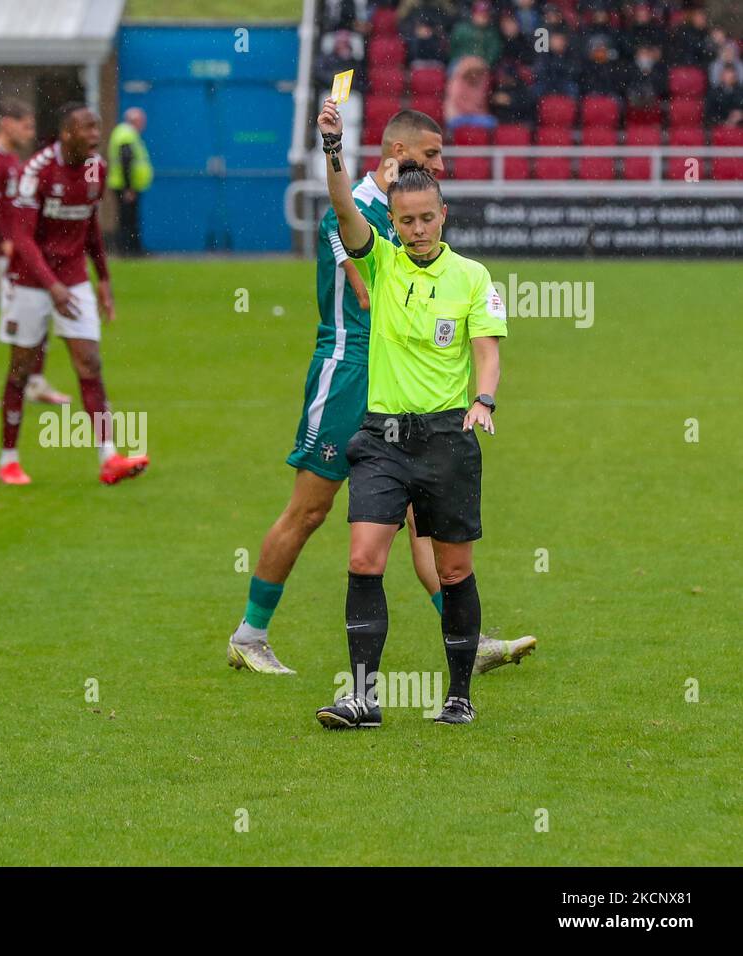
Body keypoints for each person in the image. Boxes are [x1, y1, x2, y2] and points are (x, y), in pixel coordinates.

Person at [227, 108, 533, 679]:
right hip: (350, 371)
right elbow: (369, 293)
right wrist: (332, 147)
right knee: (311, 508)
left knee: (424, 513)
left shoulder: (407, 215)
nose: (442, 165)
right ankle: (250, 632)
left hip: (400, 382)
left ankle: (468, 639)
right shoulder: (360, 215)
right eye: (432, 155)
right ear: (396, 154)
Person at [313, 96, 507, 729]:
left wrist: (483, 399)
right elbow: (343, 206)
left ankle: (458, 695)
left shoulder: (474, 277)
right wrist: (335, 149)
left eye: (428, 218)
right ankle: (363, 698)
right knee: (365, 557)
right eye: (408, 220)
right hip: (383, 439)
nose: (419, 228)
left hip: (448, 439)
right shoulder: (382, 259)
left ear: (442, 215)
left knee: (453, 571)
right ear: (393, 222)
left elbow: (486, 351)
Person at [0, 103, 149, 486]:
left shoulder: (97, 167)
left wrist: (103, 278)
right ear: (66, 133)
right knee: (20, 370)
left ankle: (109, 457)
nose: (95, 135)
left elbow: (90, 224)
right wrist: (52, 286)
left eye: (97, 127)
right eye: (86, 129)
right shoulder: (37, 171)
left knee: (90, 364)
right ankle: (9, 459)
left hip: (74, 280)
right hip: (30, 282)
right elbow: (22, 239)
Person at [0, 100, 69, 409]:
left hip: (13, 251)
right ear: (7, 123)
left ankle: (34, 382)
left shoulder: (11, 159)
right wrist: (6, 240)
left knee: (36, 308)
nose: (30, 133)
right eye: (26, 126)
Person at [107, 108, 153, 256]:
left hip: (127, 185)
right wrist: (129, 187)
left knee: (130, 218)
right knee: (128, 219)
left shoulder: (127, 133)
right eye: (142, 120)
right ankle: (128, 250)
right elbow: (126, 160)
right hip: (125, 185)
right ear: (135, 121)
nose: (144, 124)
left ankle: (132, 249)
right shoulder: (126, 134)